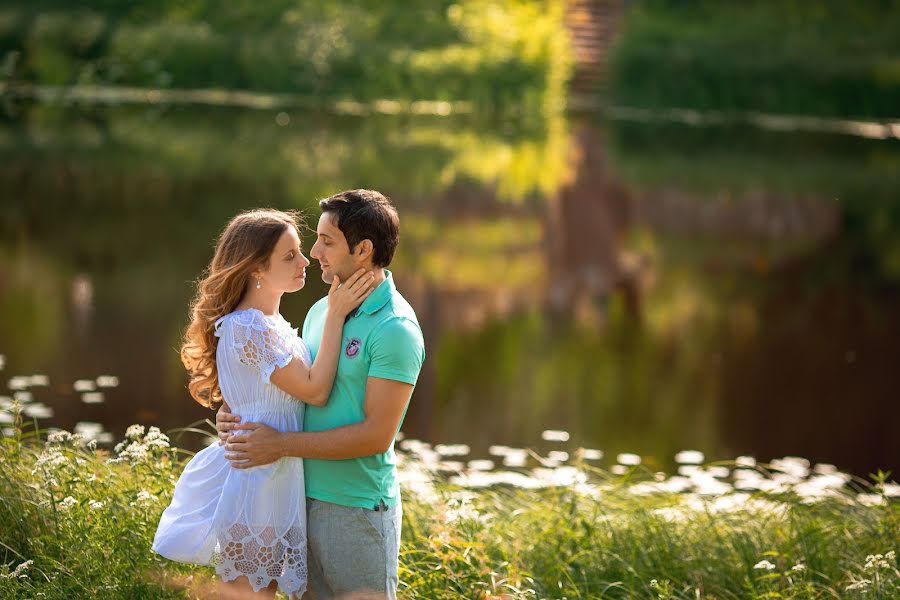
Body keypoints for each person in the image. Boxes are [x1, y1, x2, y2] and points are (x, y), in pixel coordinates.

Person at [152, 208, 376, 598]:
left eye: (300, 252)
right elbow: (315, 391)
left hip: (275, 474)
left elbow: (257, 394)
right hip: (259, 478)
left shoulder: (270, 324)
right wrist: (336, 315)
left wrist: (229, 410)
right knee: (249, 592)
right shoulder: (248, 325)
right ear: (256, 269)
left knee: (260, 590)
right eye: (289, 256)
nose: (304, 261)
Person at [216, 189, 426, 599]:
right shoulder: (320, 312)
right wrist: (233, 412)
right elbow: (287, 387)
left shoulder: (395, 329)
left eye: (327, 241)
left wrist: (280, 445)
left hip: (356, 508)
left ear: (363, 249)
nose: (314, 253)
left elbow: (375, 436)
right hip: (294, 499)